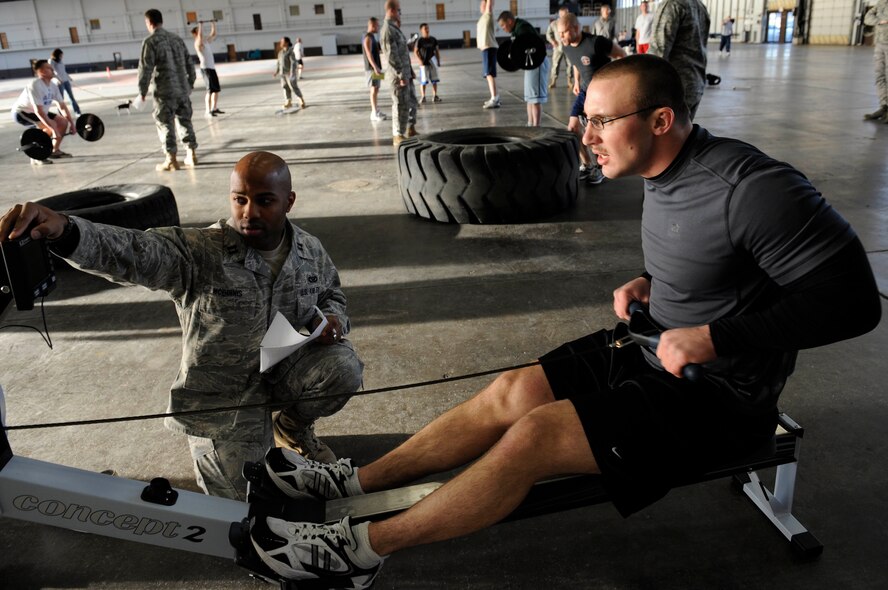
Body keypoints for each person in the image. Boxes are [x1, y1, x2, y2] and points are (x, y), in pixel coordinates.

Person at [245, 54, 881, 589]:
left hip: (723, 397)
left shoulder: (754, 187)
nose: (587, 136)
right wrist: (654, 283)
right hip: (651, 348)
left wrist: (718, 337)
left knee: (534, 436)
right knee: (514, 392)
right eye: (587, 119)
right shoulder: (665, 170)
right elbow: (722, 259)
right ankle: (350, 480)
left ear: (661, 120)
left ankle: (356, 553)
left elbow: (855, 302)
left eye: (603, 120)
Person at [0, 151, 364, 502]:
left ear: (289, 201)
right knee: (247, 505)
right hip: (224, 400)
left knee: (343, 367)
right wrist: (65, 230)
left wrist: (333, 320)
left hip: (285, 371)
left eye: (264, 201)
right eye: (240, 199)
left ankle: (292, 428)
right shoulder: (200, 252)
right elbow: (130, 251)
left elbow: (332, 295)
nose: (248, 212)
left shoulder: (309, 250)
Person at [559, 11, 625, 184]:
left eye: (564, 32)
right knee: (572, 129)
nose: (561, 36)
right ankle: (588, 165)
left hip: (603, 93)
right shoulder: (566, 46)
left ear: (575, 28)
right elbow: (576, 63)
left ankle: (601, 169)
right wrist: (576, 82)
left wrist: (615, 83)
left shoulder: (596, 42)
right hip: (585, 91)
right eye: (559, 33)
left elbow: (622, 56)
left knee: (595, 131)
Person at [138, 8, 198, 171]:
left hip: (164, 92)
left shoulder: (150, 42)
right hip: (182, 89)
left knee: (165, 123)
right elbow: (190, 63)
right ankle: (191, 154)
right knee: (185, 120)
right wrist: (190, 83)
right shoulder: (177, 39)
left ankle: (171, 159)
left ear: (149, 22)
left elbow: (146, 69)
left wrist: (142, 91)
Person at [649, 0, 710, 120]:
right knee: (684, 135)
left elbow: (658, 52)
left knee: (666, 137)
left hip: (674, 88)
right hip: (695, 84)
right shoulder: (699, 6)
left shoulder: (672, 5)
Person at [11, 59, 77, 165]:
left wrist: (72, 124)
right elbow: (38, 111)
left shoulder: (53, 86)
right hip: (22, 112)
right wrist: (53, 128)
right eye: (49, 68)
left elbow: (62, 107)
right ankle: (36, 156)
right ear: (42, 71)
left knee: (63, 122)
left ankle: (54, 151)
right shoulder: (35, 85)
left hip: (40, 111)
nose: (52, 69)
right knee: (48, 126)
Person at [498, 10, 551, 127]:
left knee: (535, 99)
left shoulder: (523, 28)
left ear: (510, 21)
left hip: (537, 63)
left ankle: (536, 127)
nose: (502, 28)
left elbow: (532, 47)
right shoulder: (517, 29)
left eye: (503, 25)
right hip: (530, 65)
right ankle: (530, 124)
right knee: (529, 98)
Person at [380, 0, 418, 145]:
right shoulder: (387, 30)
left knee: (411, 101)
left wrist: (411, 71)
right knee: (399, 104)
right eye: (399, 10)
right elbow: (392, 56)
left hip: (406, 74)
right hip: (398, 77)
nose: (400, 13)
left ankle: (410, 128)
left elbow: (403, 53)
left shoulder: (395, 29)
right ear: (392, 10)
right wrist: (401, 75)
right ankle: (397, 134)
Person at [191, 20, 224, 117]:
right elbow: (200, 36)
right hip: (206, 69)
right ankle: (207, 110)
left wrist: (213, 23)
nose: (202, 32)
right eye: (200, 30)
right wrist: (200, 25)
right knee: (209, 90)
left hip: (211, 68)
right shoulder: (198, 42)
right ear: (196, 33)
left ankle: (214, 108)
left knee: (216, 89)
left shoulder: (206, 42)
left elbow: (213, 34)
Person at [863, 0, 888, 122]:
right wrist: (880, 21)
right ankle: (884, 107)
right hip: (879, 44)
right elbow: (867, 18)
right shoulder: (880, 3)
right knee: (879, 76)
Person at [362, 17, 388, 122]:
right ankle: (373, 113)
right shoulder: (368, 37)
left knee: (376, 89)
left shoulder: (373, 37)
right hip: (372, 69)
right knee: (373, 89)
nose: (378, 27)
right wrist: (375, 67)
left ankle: (376, 110)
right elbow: (368, 54)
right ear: (372, 25)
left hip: (376, 67)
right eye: (377, 25)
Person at [477, 0, 500, 109]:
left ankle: (494, 98)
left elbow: (490, 3)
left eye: (483, 3)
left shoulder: (488, 15)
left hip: (489, 47)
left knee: (489, 74)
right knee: (489, 74)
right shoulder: (483, 17)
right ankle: (495, 98)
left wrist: (488, 3)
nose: (480, 5)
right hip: (486, 48)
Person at [273, 37, 306, 111]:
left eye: (282, 41)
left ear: (287, 42)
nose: (281, 43)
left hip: (289, 73)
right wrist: (276, 71)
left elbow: (293, 62)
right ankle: (288, 101)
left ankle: (301, 99)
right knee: (285, 87)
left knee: (293, 87)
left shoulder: (290, 51)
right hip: (282, 73)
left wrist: (292, 71)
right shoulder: (280, 52)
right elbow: (278, 63)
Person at [415, 23, 442, 104]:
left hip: (432, 62)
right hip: (424, 63)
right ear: (421, 30)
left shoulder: (433, 39)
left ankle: (435, 96)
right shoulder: (420, 41)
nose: (427, 30)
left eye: (427, 28)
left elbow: (437, 51)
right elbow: (415, 51)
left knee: (434, 80)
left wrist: (438, 61)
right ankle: (423, 96)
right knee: (423, 81)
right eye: (425, 29)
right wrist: (420, 60)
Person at [546, 6, 572, 88]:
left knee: (570, 64)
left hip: (569, 47)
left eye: (567, 13)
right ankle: (553, 82)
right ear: (560, 14)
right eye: (565, 14)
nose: (567, 15)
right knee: (555, 65)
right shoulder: (553, 24)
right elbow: (548, 34)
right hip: (558, 48)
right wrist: (553, 41)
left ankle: (569, 81)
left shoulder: (570, 23)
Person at [50, 49, 81, 116]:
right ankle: (61, 114)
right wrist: (57, 79)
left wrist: (69, 77)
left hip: (66, 81)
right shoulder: (51, 61)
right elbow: (52, 72)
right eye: (60, 55)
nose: (62, 56)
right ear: (56, 55)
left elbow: (63, 71)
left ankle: (77, 112)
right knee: (61, 99)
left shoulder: (60, 61)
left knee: (71, 97)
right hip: (59, 82)